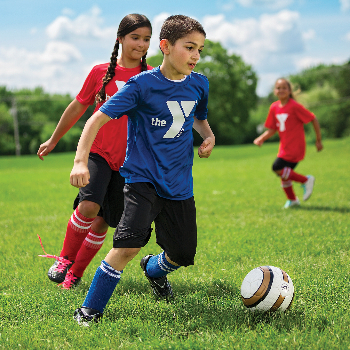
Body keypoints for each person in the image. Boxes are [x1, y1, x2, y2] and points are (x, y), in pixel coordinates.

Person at [69, 14, 215, 325]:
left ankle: (153, 270)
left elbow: (198, 118)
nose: (196, 55)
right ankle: (89, 310)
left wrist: (209, 136)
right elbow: (96, 119)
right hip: (141, 181)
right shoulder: (141, 85)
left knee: (183, 253)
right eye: (189, 47)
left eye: (200, 49)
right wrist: (80, 161)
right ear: (165, 46)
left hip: (179, 185)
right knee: (127, 245)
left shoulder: (200, 84)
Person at [37, 14, 153, 289]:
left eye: (146, 39)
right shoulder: (101, 72)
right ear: (120, 39)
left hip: (130, 161)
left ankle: (74, 275)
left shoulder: (150, 78)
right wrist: (54, 139)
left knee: (102, 223)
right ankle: (65, 259)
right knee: (89, 206)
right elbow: (78, 106)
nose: (141, 44)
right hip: (98, 152)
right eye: (135, 37)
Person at [253, 78, 323, 209]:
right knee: (284, 174)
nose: (281, 90)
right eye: (278, 88)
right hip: (284, 147)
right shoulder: (274, 107)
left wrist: (318, 140)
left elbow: (313, 119)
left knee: (277, 167)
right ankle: (293, 200)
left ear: (290, 91)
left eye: (284, 88)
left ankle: (306, 180)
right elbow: (272, 129)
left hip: (295, 147)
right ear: (275, 91)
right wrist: (261, 138)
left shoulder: (294, 106)